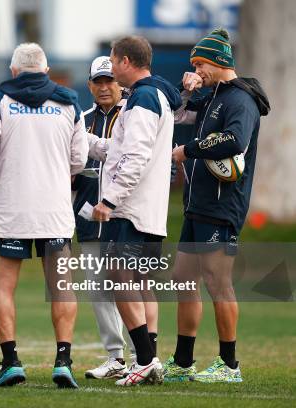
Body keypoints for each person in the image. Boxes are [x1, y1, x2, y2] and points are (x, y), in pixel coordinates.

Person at [0, 43, 107, 389]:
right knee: (62, 287)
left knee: (2, 286)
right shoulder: (67, 103)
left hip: (11, 209)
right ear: (45, 71)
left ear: (14, 71)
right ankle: (63, 361)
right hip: (54, 211)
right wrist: (60, 175)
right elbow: (79, 158)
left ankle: (11, 361)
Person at [166, 28, 270, 383]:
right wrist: (188, 89)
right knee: (183, 279)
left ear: (220, 61)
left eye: (200, 63)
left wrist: (187, 151)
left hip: (222, 206)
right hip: (198, 204)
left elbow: (234, 140)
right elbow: (177, 114)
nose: (196, 69)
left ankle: (229, 365)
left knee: (218, 283)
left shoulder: (240, 100)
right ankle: (182, 363)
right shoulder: (213, 96)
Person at [91, 35, 181, 386]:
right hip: (151, 210)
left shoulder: (142, 97)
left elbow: (137, 155)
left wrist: (110, 200)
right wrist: (90, 141)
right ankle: (149, 360)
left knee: (119, 279)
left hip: (132, 209)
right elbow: (124, 148)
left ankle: (144, 360)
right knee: (141, 284)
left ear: (127, 61)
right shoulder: (155, 94)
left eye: (113, 62)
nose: (111, 69)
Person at [72, 56, 135, 380]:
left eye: (110, 80)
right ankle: (115, 358)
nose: (104, 87)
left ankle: (143, 356)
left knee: (131, 287)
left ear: (120, 83)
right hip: (87, 218)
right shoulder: (80, 120)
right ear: (90, 86)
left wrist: (98, 149)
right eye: (98, 81)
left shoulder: (134, 116)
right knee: (98, 291)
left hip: (124, 217)